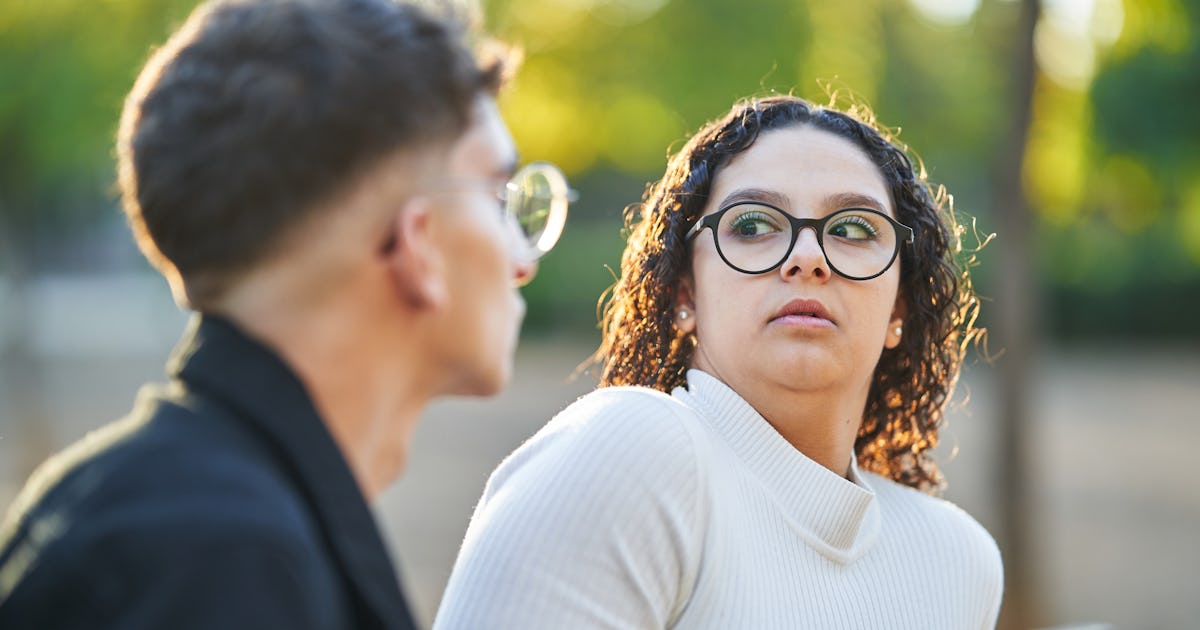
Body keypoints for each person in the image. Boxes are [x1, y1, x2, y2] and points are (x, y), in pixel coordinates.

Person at [0, 0, 571, 627]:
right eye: (501, 197)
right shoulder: (225, 562)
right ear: (418, 244)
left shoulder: (153, 507)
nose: (523, 257)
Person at [434, 94, 1003, 629]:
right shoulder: (632, 454)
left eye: (854, 228)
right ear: (685, 293)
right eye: (752, 224)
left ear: (899, 305)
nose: (808, 257)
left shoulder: (958, 562)